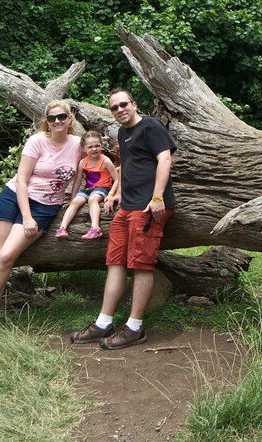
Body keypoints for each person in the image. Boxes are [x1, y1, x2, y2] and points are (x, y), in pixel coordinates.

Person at [70, 88, 176, 349]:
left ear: (134, 104)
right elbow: (126, 167)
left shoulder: (150, 126)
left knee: (141, 264)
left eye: (123, 104)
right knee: (115, 261)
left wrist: (158, 198)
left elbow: (165, 160)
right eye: (114, 107)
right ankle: (104, 323)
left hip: (148, 208)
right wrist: (115, 193)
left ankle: (134, 327)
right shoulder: (122, 133)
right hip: (126, 207)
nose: (119, 110)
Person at [0, 100, 82, 335]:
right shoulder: (37, 141)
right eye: (52, 118)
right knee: (0, 256)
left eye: (62, 117)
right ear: (46, 122)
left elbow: (99, 163)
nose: (57, 121)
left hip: (46, 205)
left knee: (7, 255)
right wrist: (26, 217)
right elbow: (21, 180)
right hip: (15, 196)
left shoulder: (78, 145)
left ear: (70, 120)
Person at [55, 130, 118, 240]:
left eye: (97, 146)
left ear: (102, 146)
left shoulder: (106, 161)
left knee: (92, 199)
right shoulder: (83, 162)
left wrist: (111, 194)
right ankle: (62, 228)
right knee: (75, 202)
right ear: (84, 149)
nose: (94, 149)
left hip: (102, 188)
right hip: (88, 189)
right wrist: (72, 198)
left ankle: (95, 228)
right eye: (90, 147)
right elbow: (78, 181)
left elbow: (117, 179)